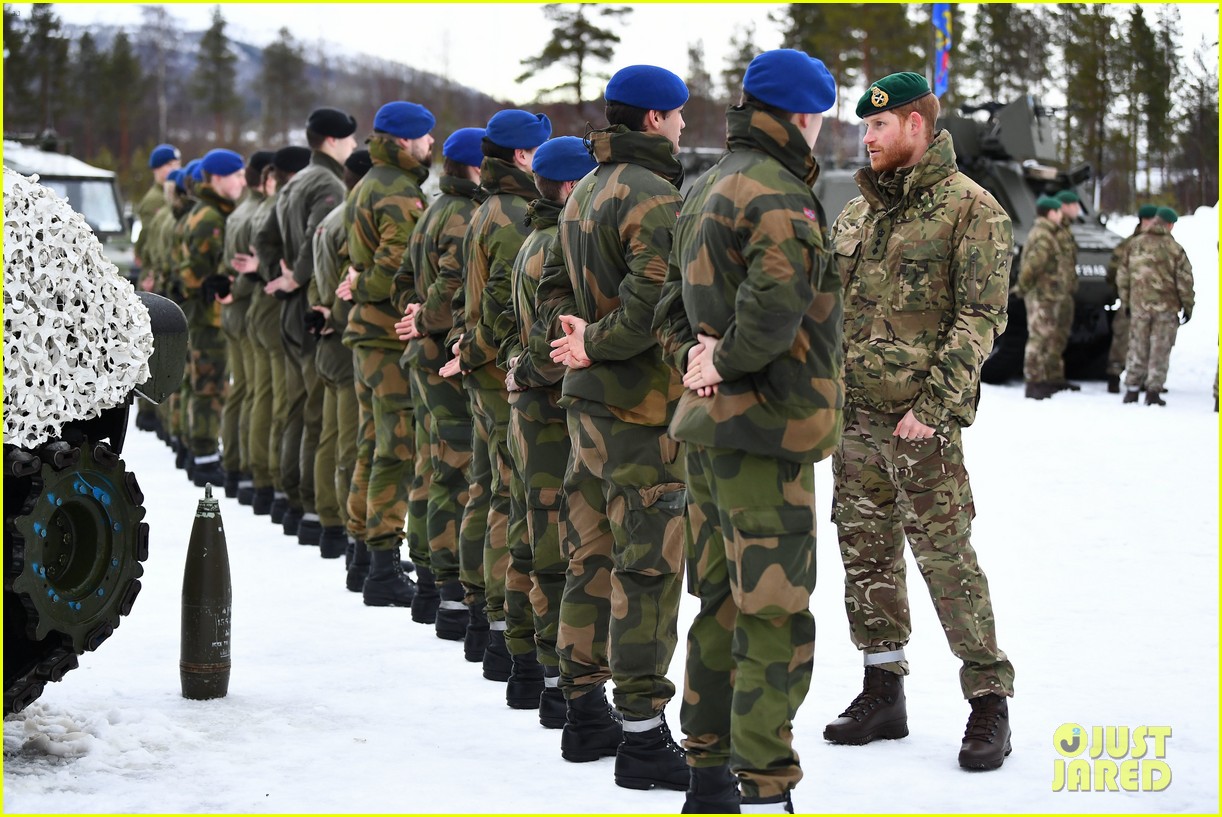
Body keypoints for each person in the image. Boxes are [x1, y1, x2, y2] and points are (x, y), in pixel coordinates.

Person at [653, 49, 841, 813]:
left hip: (710, 433)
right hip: (767, 434)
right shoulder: (777, 194)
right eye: (823, 116)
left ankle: (707, 770)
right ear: (803, 114)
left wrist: (696, 363)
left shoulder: (703, 187)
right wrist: (725, 361)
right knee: (773, 612)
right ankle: (763, 785)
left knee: (721, 602)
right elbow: (774, 307)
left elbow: (670, 307)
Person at [824, 71, 1016, 771]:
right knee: (865, 554)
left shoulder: (973, 210)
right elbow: (827, 312)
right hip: (854, 422)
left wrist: (931, 409)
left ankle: (989, 699)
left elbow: (980, 318)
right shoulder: (857, 213)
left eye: (877, 126)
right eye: (863, 127)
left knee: (947, 559)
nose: (865, 138)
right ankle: (883, 690)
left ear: (914, 125)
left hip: (919, 425)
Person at [537, 63, 689, 790]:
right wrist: (593, 340)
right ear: (655, 119)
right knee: (647, 570)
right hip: (640, 411)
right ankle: (642, 733)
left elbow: (554, 286)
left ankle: (585, 712)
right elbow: (652, 305)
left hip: (588, 405)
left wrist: (572, 337)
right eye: (680, 115)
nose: (685, 126)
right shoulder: (654, 196)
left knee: (588, 558)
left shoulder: (586, 189)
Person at [440, 109, 551, 677]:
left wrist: (465, 345)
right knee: (509, 497)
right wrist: (484, 353)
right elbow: (507, 306)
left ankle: (487, 618)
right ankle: (504, 628)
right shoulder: (510, 213)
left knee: (488, 489)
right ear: (524, 157)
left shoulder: (488, 206)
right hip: (497, 373)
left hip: (481, 367)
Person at [501, 136, 597, 724]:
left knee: (532, 532)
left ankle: (531, 668)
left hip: (530, 410)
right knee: (555, 547)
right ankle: (555, 677)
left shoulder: (530, 242)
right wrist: (529, 368)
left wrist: (516, 365)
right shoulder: (552, 246)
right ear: (567, 188)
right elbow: (543, 343)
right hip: (549, 411)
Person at [342, 100, 436, 606]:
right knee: (395, 448)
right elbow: (392, 266)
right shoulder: (398, 191)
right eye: (424, 136)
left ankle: (363, 553)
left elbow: (356, 255)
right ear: (403, 140)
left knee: (371, 441)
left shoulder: (369, 182)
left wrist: (357, 282)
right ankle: (379, 563)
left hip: (367, 334)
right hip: (384, 332)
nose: (430, 144)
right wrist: (364, 286)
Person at [395, 127, 487, 637]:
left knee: (432, 467)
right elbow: (451, 282)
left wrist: (413, 313)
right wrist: (427, 318)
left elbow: (405, 279)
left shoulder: (433, 207)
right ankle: (449, 591)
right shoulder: (462, 213)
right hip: (443, 356)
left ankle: (432, 580)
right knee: (455, 471)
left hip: (424, 354)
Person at [257, 107, 359, 546]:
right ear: (334, 142)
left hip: (291, 308)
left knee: (299, 409)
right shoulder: (326, 182)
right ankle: (317, 511)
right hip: (313, 307)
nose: (354, 147)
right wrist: (295, 279)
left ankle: (298, 501)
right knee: (317, 416)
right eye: (350, 139)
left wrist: (273, 277)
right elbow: (321, 236)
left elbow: (264, 237)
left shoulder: (293, 181)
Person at [236, 146, 311, 516]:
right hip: (276, 308)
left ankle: (265, 479)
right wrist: (279, 276)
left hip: (263, 309)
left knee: (265, 396)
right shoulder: (283, 204)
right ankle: (275, 483)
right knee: (284, 401)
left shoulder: (266, 206)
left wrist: (263, 270)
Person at [311, 149, 373, 561]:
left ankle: (331, 522)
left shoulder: (328, 221)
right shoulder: (351, 222)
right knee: (350, 444)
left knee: (331, 437)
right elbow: (345, 288)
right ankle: (348, 531)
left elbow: (321, 282)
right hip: (345, 338)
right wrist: (335, 315)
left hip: (327, 340)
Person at [178, 148, 247, 488]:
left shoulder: (207, 212)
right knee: (209, 385)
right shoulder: (209, 218)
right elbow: (190, 272)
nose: (242, 181)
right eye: (237, 175)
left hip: (204, 316)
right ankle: (204, 457)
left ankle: (197, 450)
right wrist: (213, 284)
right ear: (218, 178)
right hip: (208, 317)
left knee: (201, 383)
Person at [219, 149, 274, 500]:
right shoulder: (257, 213)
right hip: (251, 303)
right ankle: (253, 470)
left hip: (236, 310)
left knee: (242, 389)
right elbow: (246, 267)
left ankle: (234, 464)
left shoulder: (239, 212)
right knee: (258, 392)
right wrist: (236, 290)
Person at [1116, 206, 1194, 406]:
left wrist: (1126, 302)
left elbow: (1122, 276)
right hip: (1165, 309)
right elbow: (1184, 281)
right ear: (1169, 225)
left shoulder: (1134, 245)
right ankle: (1153, 391)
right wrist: (1188, 306)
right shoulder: (1174, 248)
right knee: (1160, 348)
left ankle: (1132, 389)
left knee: (1137, 346)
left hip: (1139, 307)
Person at [1015, 195, 1067, 400]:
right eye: (1058, 212)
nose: (1061, 216)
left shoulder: (1045, 233)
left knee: (1045, 336)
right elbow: (1033, 266)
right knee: (1039, 337)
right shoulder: (1044, 236)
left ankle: (1041, 380)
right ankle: (1033, 381)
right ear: (1051, 213)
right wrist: (1024, 287)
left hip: (1046, 294)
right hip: (1041, 294)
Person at [1105, 204, 1159, 393]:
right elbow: (1113, 270)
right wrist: (1122, 294)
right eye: (1153, 220)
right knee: (1123, 337)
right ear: (1144, 220)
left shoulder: (1160, 243)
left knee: (1150, 340)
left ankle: (1144, 378)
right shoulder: (1128, 244)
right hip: (1130, 301)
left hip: (1154, 302)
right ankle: (1114, 373)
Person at [1048, 189, 1083, 393]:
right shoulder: (1054, 229)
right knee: (1048, 335)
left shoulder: (1066, 229)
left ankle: (1055, 376)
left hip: (1064, 291)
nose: (1078, 209)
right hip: (1052, 292)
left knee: (1059, 335)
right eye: (1074, 205)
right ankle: (1042, 378)